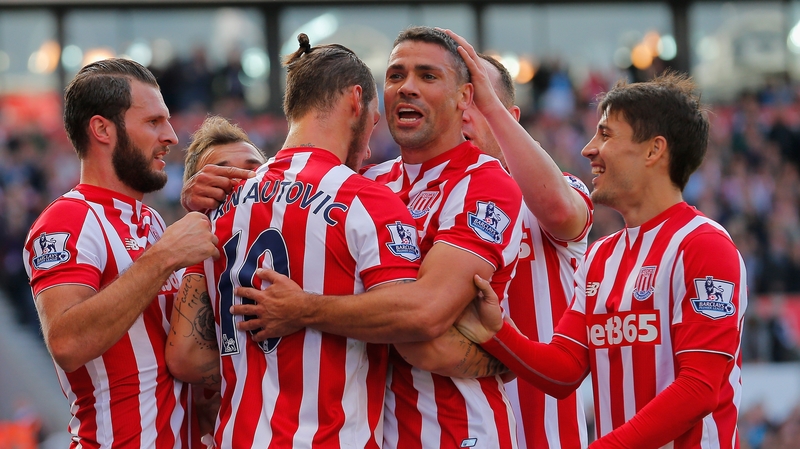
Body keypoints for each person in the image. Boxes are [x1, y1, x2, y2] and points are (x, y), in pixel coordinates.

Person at [231, 26, 525, 448]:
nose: (406, 88)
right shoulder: (368, 183)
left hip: (457, 433)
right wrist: (212, 183)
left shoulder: (486, 184)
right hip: (371, 433)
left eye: (427, 76)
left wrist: (303, 309)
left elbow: (424, 318)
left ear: (464, 98)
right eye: (394, 75)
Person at [456, 71, 747, 449]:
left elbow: (699, 388)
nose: (588, 149)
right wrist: (497, 331)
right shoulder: (601, 257)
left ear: (654, 150)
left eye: (606, 134)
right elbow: (564, 370)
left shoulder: (704, 245)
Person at [165, 34, 423, 448]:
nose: (371, 150)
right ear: (356, 99)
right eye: (373, 122)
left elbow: (187, 356)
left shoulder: (220, 207)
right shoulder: (368, 199)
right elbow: (412, 318)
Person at [22, 58, 219, 448]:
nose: (171, 136)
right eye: (153, 122)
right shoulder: (67, 219)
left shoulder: (153, 222)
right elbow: (67, 343)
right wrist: (164, 257)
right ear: (102, 129)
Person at [450, 29, 592, 449]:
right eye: (453, 100)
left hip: (544, 438)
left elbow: (563, 212)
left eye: (476, 101)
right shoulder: (408, 201)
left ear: (509, 117)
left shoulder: (556, 193)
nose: (462, 113)